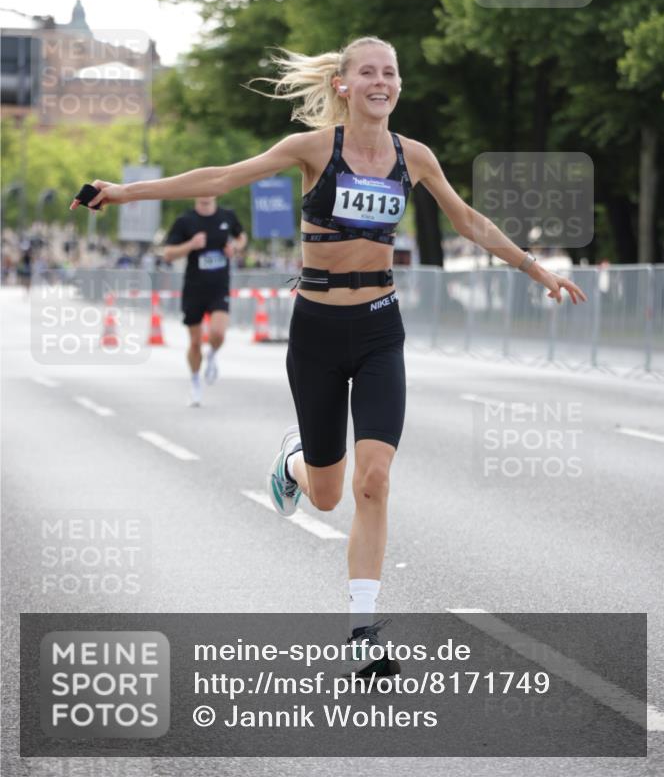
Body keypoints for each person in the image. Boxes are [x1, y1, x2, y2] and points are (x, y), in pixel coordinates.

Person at [70, 35, 587, 676]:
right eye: (367, 72)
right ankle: (293, 459)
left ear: (399, 85)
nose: (381, 81)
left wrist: (537, 270)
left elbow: (468, 221)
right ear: (343, 85)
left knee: (374, 481)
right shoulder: (315, 149)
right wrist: (124, 192)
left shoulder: (414, 157)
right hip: (315, 332)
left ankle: (364, 632)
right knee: (323, 494)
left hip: (379, 329)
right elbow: (222, 177)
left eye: (390, 72)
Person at [162, 196, 247, 406]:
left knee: (218, 333)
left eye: (210, 189)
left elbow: (242, 237)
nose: (206, 194)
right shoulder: (185, 221)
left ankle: (212, 355)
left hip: (219, 287)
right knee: (195, 342)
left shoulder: (227, 216)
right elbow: (168, 254)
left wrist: (235, 248)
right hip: (194, 288)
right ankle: (194, 381)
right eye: (201, 190)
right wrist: (191, 244)